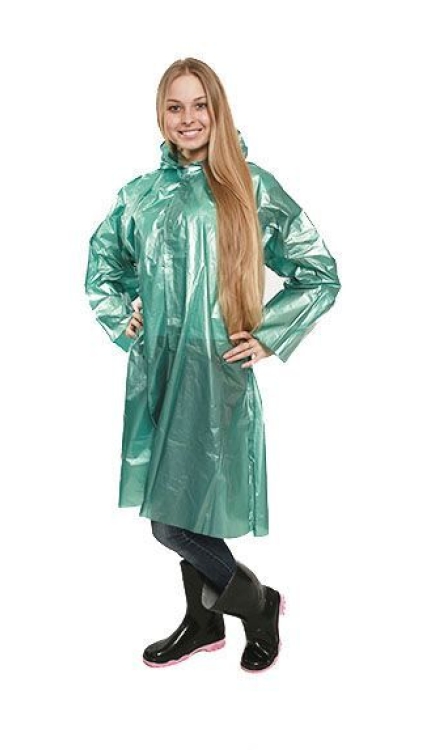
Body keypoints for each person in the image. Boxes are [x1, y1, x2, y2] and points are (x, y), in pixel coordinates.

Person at [84, 58, 341, 673]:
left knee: (172, 522)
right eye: (175, 107)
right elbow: (103, 265)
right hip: (158, 373)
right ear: (161, 116)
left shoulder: (250, 188)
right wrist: (122, 317)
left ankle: (258, 604)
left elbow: (318, 272)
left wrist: (271, 334)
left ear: (217, 110)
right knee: (179, 508)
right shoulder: (140, 197)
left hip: (216, 374)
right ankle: (203, 623)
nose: (189, 118)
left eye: (200, 105)